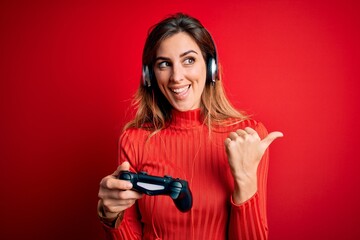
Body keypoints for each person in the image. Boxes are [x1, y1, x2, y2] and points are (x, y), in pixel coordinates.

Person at [97, 12, 283, 240]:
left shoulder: (246, 137)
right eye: (164, 64)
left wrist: (245, 180)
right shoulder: (134, 140)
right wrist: (110, 214)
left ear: (211, 67)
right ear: (150, 76)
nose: (177, 76)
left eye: (189, 60)